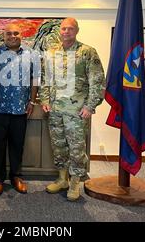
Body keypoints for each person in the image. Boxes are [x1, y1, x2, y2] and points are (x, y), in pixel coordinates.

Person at [39, 17, 105, 201]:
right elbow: (46, 78)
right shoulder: (52, 53)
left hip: (76, 111)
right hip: (55, 110)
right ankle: (62, 179)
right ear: (59, 31)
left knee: (76, 148)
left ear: (77, 31)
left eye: (70, 28)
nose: (66, 31)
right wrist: (44, 99)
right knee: (58, 146)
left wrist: (90, 106)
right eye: (63, 28)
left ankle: (75, 182)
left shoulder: (87, 52)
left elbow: (97, 81)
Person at [0, 23, 38, 196]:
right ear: (3, 36)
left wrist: (32, 100)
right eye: (9, 33)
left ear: (21, 34)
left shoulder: (30, 54)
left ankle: (16, 177)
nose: (12, 36)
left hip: (20, 109)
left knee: (17, 145)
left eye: (16, 33)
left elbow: (34, 79)